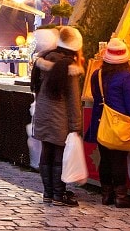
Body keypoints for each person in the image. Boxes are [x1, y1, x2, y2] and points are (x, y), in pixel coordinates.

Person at [84, 37, 130, 208]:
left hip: (101, 121)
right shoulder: (127, 77)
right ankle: (121, 196)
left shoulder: (97, 74)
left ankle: (106, 195)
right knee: (118, 160)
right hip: (119, 123)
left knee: (106, 159)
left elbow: (96, 97)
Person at [32, 25, 84, 207]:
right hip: (59, 117)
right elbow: (73, 100)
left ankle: (48, 193)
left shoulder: (43, 61)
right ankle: (58, 194)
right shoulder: (69, 68)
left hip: (42, 114)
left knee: (46, 152)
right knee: (58, 156)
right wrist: (76, 126)